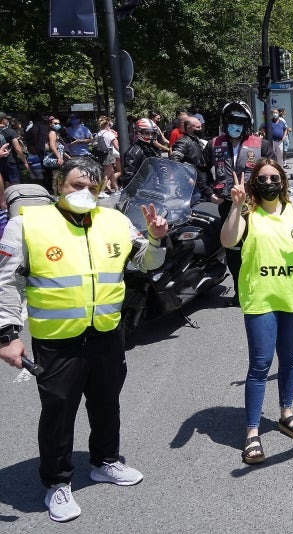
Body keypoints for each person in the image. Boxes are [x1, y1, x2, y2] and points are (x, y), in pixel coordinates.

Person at [0, 157, 168, 521]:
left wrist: (155, 239)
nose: (85, 193)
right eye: (77, 185)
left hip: (107, 333)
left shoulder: (116, 221)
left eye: (92, 187)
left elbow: (147, 263)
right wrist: (7, 335)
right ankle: (56, 482)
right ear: (60, 183)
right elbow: (6, 282)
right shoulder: (27, 224)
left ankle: (105, 461)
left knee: (107, 403)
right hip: (58, 340)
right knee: (59, 412)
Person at [220, 158, 293, 465]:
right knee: (261, 364)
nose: (269, 183)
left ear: (283, 182)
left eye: (274, 177)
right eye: (263, 178)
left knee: (289, 359)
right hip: (260, 300)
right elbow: (228, 240)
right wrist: (235, 205)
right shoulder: (248, 212)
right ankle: (252, 431)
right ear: (255, 182)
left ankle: (286, 413)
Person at [202, 101, 274, 306]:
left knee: (257, 247)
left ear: (248, 124)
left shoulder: (262, 144)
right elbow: (201, 170)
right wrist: (209, 193)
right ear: (224, 123)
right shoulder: (213, 144)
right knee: (233, 250)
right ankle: (239, 291)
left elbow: (272, 171)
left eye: (240, 122)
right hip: (228, 205)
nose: (235, 125)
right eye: (231, 121)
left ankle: (261, 288)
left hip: (255, 206)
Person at [121, 118, 161, 187]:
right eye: (147, 133)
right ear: (139, 132)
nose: (150, 136)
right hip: (141, 190)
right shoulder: (133, 152)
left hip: (154, 188)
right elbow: (129, 177)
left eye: (152, 133)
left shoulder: (153, 148)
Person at [96, 116, 121, 192]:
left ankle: (116, 188)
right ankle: (101, 191)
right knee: (107, 173)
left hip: (102, 154)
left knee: (111, 171)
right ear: (107, 124)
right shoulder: (109, 134)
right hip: (109, 154)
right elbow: (116, 146)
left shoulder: (99, 133)